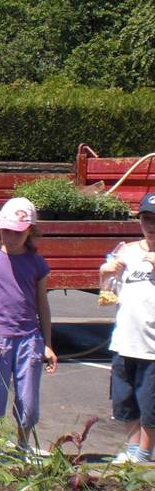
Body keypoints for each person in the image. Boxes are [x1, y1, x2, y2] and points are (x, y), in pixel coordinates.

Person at [0, 197, 57, 451]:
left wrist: (47, 344)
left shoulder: (37, 263)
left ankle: (23, 445)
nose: (12, 237)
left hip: (30, 338)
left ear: (30, 231)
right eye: (7, 231)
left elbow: (43, 305)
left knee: (28, 399)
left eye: (18, 232)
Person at [101, 193, 155, 464]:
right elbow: (108, 293)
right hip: (124, 341)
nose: (151, 226)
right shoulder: (127, 251)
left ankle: (145, 452)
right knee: (124, 400)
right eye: (147, 219)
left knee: (150, 403)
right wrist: (106, 272)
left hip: (152, 345)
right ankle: (133, 448)